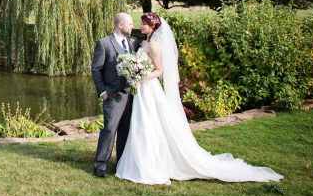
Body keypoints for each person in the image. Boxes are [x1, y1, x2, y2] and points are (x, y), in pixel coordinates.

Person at [115, 12, 283, 184]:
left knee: (149, 123)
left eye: (143, 23)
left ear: (152, 26)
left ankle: (152, 164)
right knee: (141, 123)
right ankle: (139, 162)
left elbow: (159, 71)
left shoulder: (155, 46)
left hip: (149, 88)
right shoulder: (145, 42)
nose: (140, 25)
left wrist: (142, 76)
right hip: (142, 89)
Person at [91, 12, 139, 177]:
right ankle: (100, 165)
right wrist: (102, 92)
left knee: (125, 130)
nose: (133, 26)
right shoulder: (104, 43)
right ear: (120, 25)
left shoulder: (133, 43)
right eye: (130, 23)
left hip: (130, 95)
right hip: (112, 95)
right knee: (110, 129)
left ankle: (121, 164)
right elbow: (96, 69)